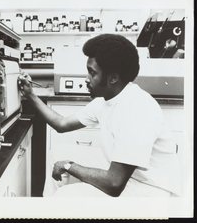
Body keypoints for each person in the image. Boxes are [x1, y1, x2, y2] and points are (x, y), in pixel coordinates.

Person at [18, 34, 182, 197]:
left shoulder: (137, 108)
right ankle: (49, 212)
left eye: (92, 73)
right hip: (124, 172)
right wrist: (30, 94)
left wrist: (69, 166)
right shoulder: (105, 100)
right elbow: (61, 123)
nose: (86, 79)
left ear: (113, 78)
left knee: (66, 195)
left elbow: (114, 183)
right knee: (56, 155)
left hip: (151, 188)